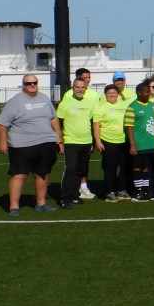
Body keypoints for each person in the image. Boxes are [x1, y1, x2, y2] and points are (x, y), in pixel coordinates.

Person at [0, 75, 63, 216]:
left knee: (42, 174)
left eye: (34, 82)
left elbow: (53, 118)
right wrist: (3, 141)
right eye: (28, 83)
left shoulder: (44, 98)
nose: (32, 85)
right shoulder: (15, 101)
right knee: (19, 175)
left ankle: (41, 204)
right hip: (21, 145)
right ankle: (14, 207)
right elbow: (2, 123)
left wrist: (59, 137)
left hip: (46, 143)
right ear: (23, 85)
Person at [56, 76, 97, 208]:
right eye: (77, 87)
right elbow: (58, 123)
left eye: (82, 87)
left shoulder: (89, 103)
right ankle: (65, 198)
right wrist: (60, 140)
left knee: (80, 171)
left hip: (86, 142)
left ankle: (75, 195)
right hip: (71, 142)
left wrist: (92, 142)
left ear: (86, 88)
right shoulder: (65, 103)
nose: (80, 89)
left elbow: (92, 123)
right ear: (73, 88)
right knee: (71, 170)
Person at [124, 81, 154, 202]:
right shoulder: (132, 107)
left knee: (146, 166)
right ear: (139, 93)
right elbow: (129, 127)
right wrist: (132, 145)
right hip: (139, 144)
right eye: (146, 92)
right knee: (137, 167)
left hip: (150, 144)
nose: (149, 94)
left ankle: (145, 190)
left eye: (149, 92)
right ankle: (138, 191)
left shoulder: (153, 106)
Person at [93, 84, 131, 202]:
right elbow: (96, 127)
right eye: (109, 93)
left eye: (114, 92)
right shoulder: (100, 108)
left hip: (124, 141)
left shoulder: (125, 105)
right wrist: (98, 142)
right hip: (108, 141)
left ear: (118, 94)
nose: (112, 95)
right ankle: (109, 192)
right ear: (105, 95)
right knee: (110, 168)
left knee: (124, 167)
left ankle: (121, 190)